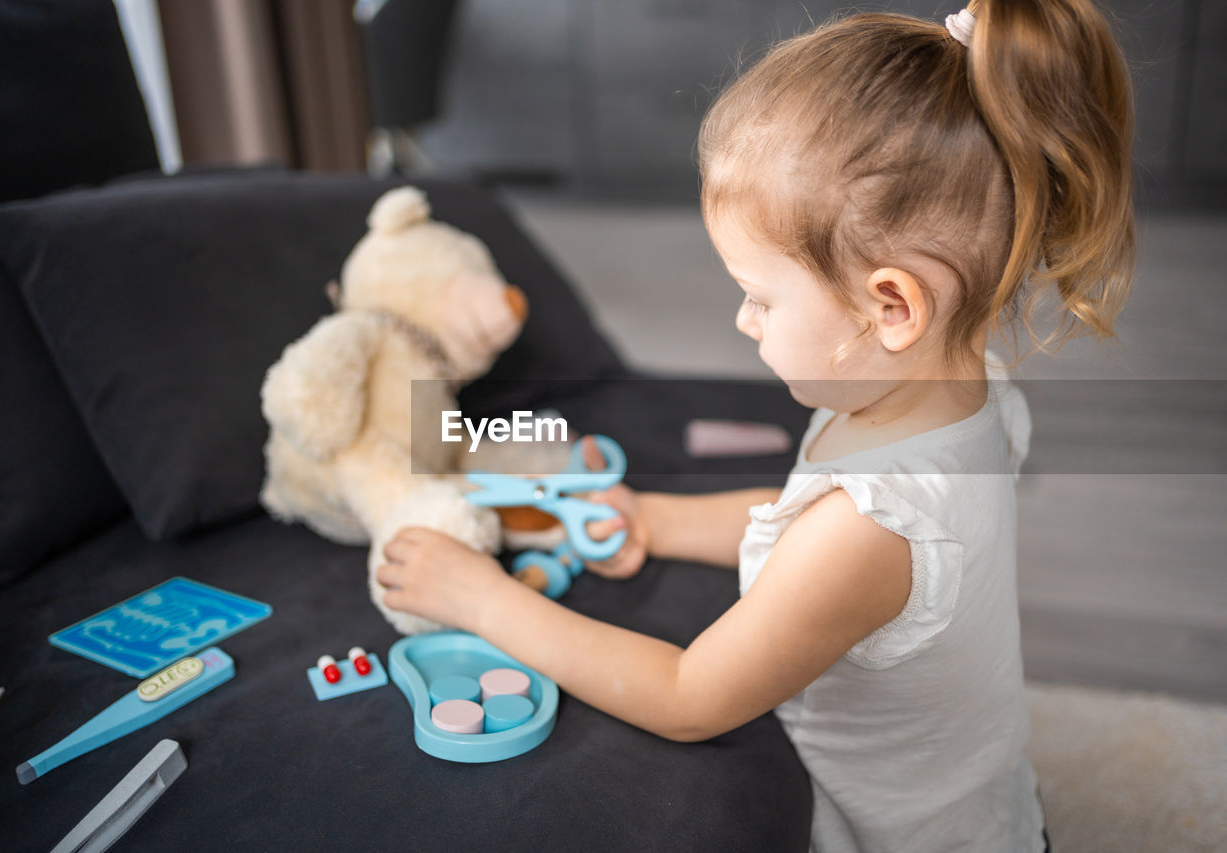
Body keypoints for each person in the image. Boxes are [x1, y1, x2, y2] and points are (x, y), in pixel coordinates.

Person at [374, 1, 1134, 849]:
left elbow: (688, 695)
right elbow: (796, 519)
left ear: (890, 307)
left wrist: (479, 599)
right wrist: (654, 517)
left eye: (761, 297)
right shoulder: (961, 391)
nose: (744, 320)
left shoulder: (872, 528)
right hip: (984, 803)